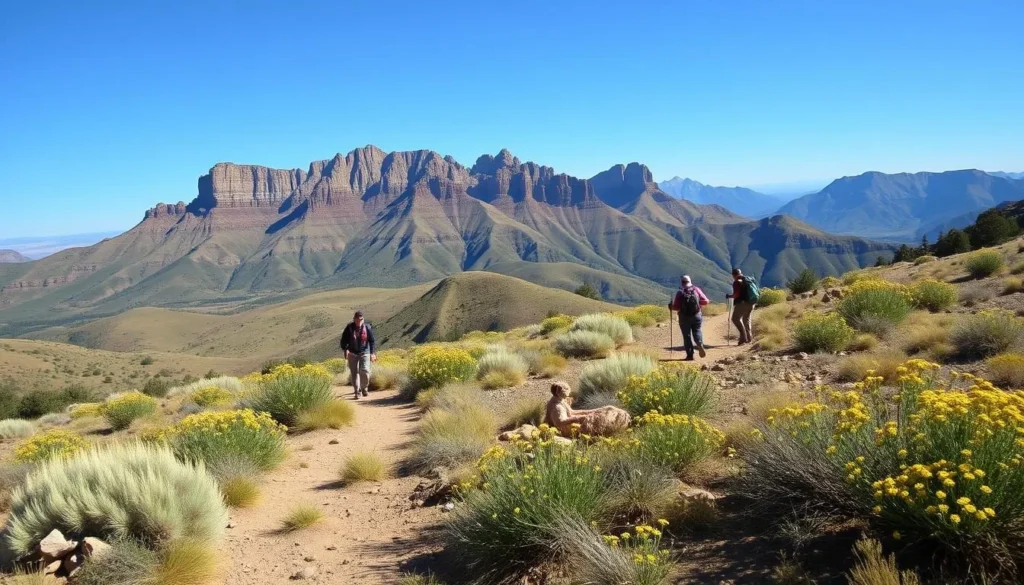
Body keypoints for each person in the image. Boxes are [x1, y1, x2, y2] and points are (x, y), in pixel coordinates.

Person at [544, 381, 630, 437]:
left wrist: (596, 410)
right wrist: (578, 418)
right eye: (566, 389)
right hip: (562, 430)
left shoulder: (561, 401)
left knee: (604, 411)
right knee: (594, 423)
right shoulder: (556, 406)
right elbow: (559, 422)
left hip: (569, 426)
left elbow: (571, 412)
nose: (569, 391)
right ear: (559, 392)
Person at [668, 275, 710, 360]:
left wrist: (670, 306)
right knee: (697, 330)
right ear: (690, 282)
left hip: (684, 317)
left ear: (682, 283)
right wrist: (698, 302)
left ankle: (690, 355)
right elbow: (706, 301)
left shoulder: (680, 292)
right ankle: (699, 343)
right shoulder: (696, 290)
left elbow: (676, 307)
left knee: (686, 336)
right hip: (697, 315)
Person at [340, 311, 377, 399]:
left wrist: (372, 353)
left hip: (365, 352)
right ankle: (357, 391)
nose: (359, 321)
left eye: (361, 319)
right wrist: (346, 349)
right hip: (352, 353)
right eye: (357, 319)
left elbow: (371, 341)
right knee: (354, 373)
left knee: (364, 371)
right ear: (354, 319)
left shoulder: (367, 327)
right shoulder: (349, 328)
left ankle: (364, 388)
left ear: (363, 320)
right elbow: (343, 340)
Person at [725, 268, 756, 345]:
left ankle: (743, 337)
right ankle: (749, 338)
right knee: (746, 320)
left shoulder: (736, 282)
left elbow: (736, 294)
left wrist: (729, 296)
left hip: (742, 303)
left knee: (735, 319)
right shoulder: (747, 280)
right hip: (751, 303)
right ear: (740, 273)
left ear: (733, 275)